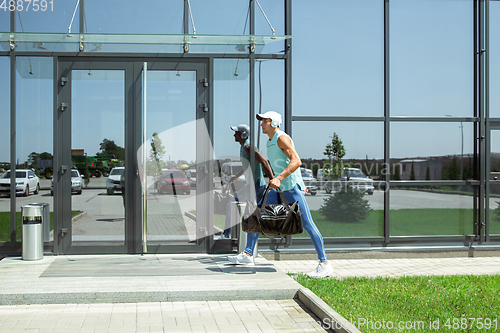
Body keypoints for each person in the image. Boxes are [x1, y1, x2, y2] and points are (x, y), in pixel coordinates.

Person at [227, 111, 334, 278]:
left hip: (292, 188)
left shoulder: (281, 138)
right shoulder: (270, 140)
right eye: (261, 121)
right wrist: (274, 180)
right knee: (257, 215)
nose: (261, 124)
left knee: (308, 224)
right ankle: (248, 254)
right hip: (278, 188)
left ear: (273, 123)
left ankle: (324, 263)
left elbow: (296, 161)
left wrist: (279, 178)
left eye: (264, 121)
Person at [218, 124, 274, 240]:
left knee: (236, 206)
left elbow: (265, 162)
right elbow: (247, 166)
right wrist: (236, 176)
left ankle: (227, 235)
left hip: (256, 185)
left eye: (236, 132)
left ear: (243, 134)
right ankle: (230, 235)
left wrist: (273, 179)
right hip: (251, 185)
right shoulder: (243, 147)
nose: (234, 134)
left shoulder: (248, 147)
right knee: (253, 212)